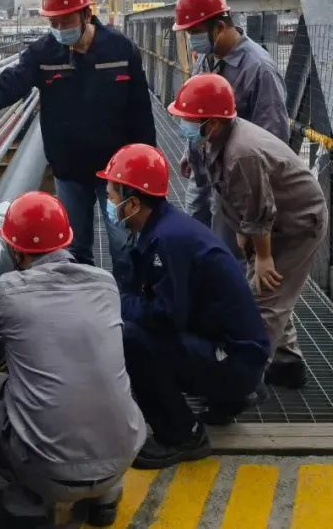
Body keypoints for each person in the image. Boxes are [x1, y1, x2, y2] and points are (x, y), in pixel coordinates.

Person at [0, 191, 146, 528]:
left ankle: (27, 501)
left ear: (16, 250)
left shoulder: (10, 291)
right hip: (123, 456)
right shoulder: (105, 284)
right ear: (65, 240)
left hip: (53, 473)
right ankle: (105, 497)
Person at [0, 0, 155, 279]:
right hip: (69, 170)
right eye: (53, 23)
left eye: (65, 21)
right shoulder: (44, 53)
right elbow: (13, 82)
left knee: (124, 245)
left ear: (86, 14)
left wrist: (146, 167)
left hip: (116, 172)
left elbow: (141, 112)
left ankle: (127, 303)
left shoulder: (120, 50)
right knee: (74, 250)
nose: (59, 29)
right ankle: (84, 300)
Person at [97, 144, 269, 469]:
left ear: (132, 203)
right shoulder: (163, 228)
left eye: (111, 196)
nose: (108, 203)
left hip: (236, 361)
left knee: (132, 339)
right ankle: (230, 397)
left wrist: (116, 304)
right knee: (139, 327)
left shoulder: (166, 242)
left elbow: (164, 316)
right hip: (237, 351)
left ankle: (182, 434)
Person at [169, 73, 327, 389]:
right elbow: (238, 196)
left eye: (190, 120)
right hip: (272, 219)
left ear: (213, 123)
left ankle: (244, 381)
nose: (184, 125)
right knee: (269, 290)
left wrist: (264, 256)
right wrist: (244, 231)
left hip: (296, 224)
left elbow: (259, 209)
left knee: (263, 301)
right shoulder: (216, 138)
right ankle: (287, 363)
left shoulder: (242, 153)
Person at [172, 0, 289, 242]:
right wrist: (189, 151)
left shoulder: (259, 70)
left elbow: (274, 139)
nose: (192, 40)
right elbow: (196, 110)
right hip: (203, 174)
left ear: (220, 27)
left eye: (195, 32)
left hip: (234, 183)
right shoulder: (207, 58)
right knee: (194, 238)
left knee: (226, 248)